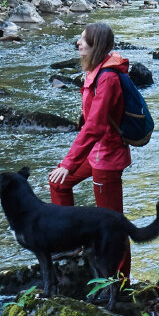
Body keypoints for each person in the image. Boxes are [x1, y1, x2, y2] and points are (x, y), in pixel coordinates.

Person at [48, 21, 132, 280]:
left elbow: (95, 126)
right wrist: (68, 165)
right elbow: (90, 122)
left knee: (113, 225)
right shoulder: (95, 71)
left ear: (96, 46)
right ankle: (71, 246)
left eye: (84, 40)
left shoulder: (107, 78)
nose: (78, 43)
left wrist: (68, 163)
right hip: (94, 152)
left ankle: (120, 283)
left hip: (107, 159)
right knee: (58, 184)